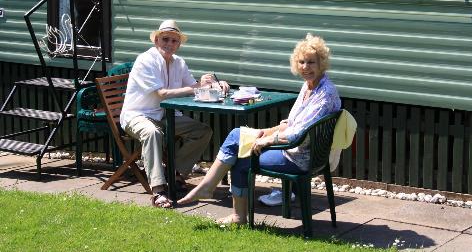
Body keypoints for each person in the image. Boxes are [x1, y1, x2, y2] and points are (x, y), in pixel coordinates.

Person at [178, 33, 341, 224]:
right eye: (302, 62)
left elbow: (298, 134)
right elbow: (291, 123)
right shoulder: (310, 86)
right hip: (298, 149)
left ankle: (232, 210)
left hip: (299, 156)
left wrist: (268, 140)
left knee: (240, 161)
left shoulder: (325, 93)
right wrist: (265, 132)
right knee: (237, 134)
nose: (306, 67)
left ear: (322, 63)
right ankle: (210, 188)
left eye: (311, 62)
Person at [120, 19, 229, 209]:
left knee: (202, 131)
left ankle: (176, 175)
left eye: (174, 41)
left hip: (166, 116)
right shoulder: (146, 60)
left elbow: (195, 87)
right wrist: (195, 87)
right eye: (165, 39)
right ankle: (158, 191)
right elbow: (162, 94)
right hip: (137, 115)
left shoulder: (179, 62)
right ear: (156, 41)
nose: (169, 44)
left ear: (179, 44)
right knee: (152, 133)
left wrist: (216, 85)